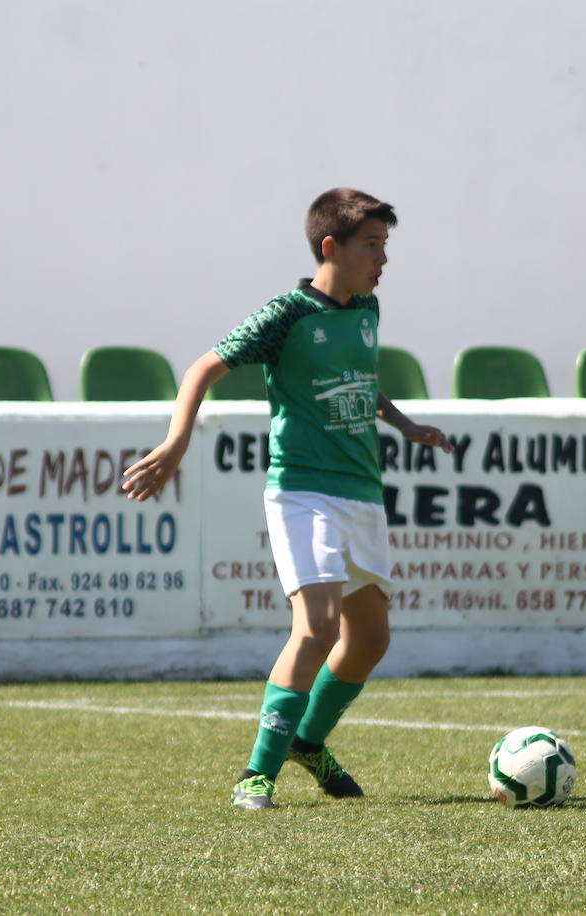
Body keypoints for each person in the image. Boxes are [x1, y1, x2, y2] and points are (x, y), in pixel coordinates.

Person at [122, 188, 451, 810]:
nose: (383, 259)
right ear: (331, 247)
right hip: (302, 490)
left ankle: (307, 742)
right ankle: (257, 775)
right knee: (319, 626)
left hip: (362, 493)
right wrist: (174, 443)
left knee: (372, 638)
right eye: (372, 245)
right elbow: (202, 368)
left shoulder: (367, 310)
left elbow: (361, 383)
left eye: (386, 245)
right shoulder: (286, 314)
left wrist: (406, 426)